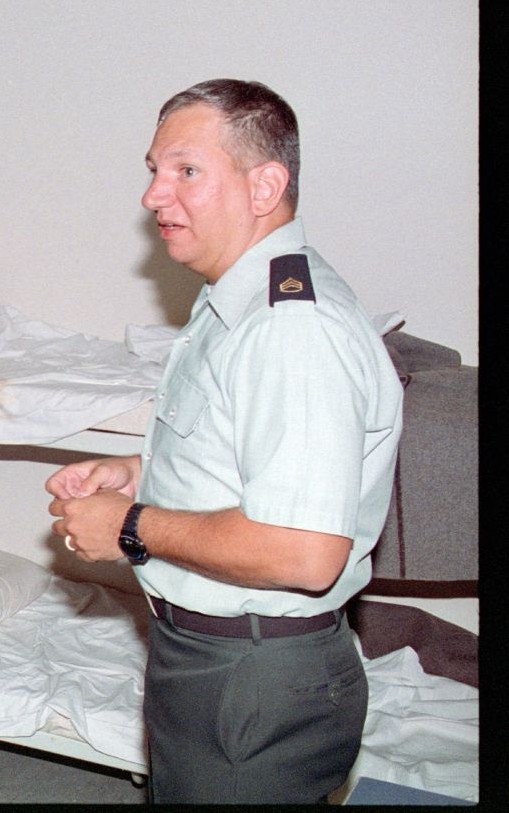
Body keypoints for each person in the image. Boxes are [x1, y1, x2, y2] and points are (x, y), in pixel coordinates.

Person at [45, 79, 403, 803]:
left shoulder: (288, 328)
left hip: (250, 673)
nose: (153, 195)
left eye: (185, 171)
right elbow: (240, 459)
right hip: (212, 655)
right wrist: (135, 473)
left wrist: (132, 528)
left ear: (265, 185)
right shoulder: (235, 301)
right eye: (153, 170)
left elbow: (304, 551)